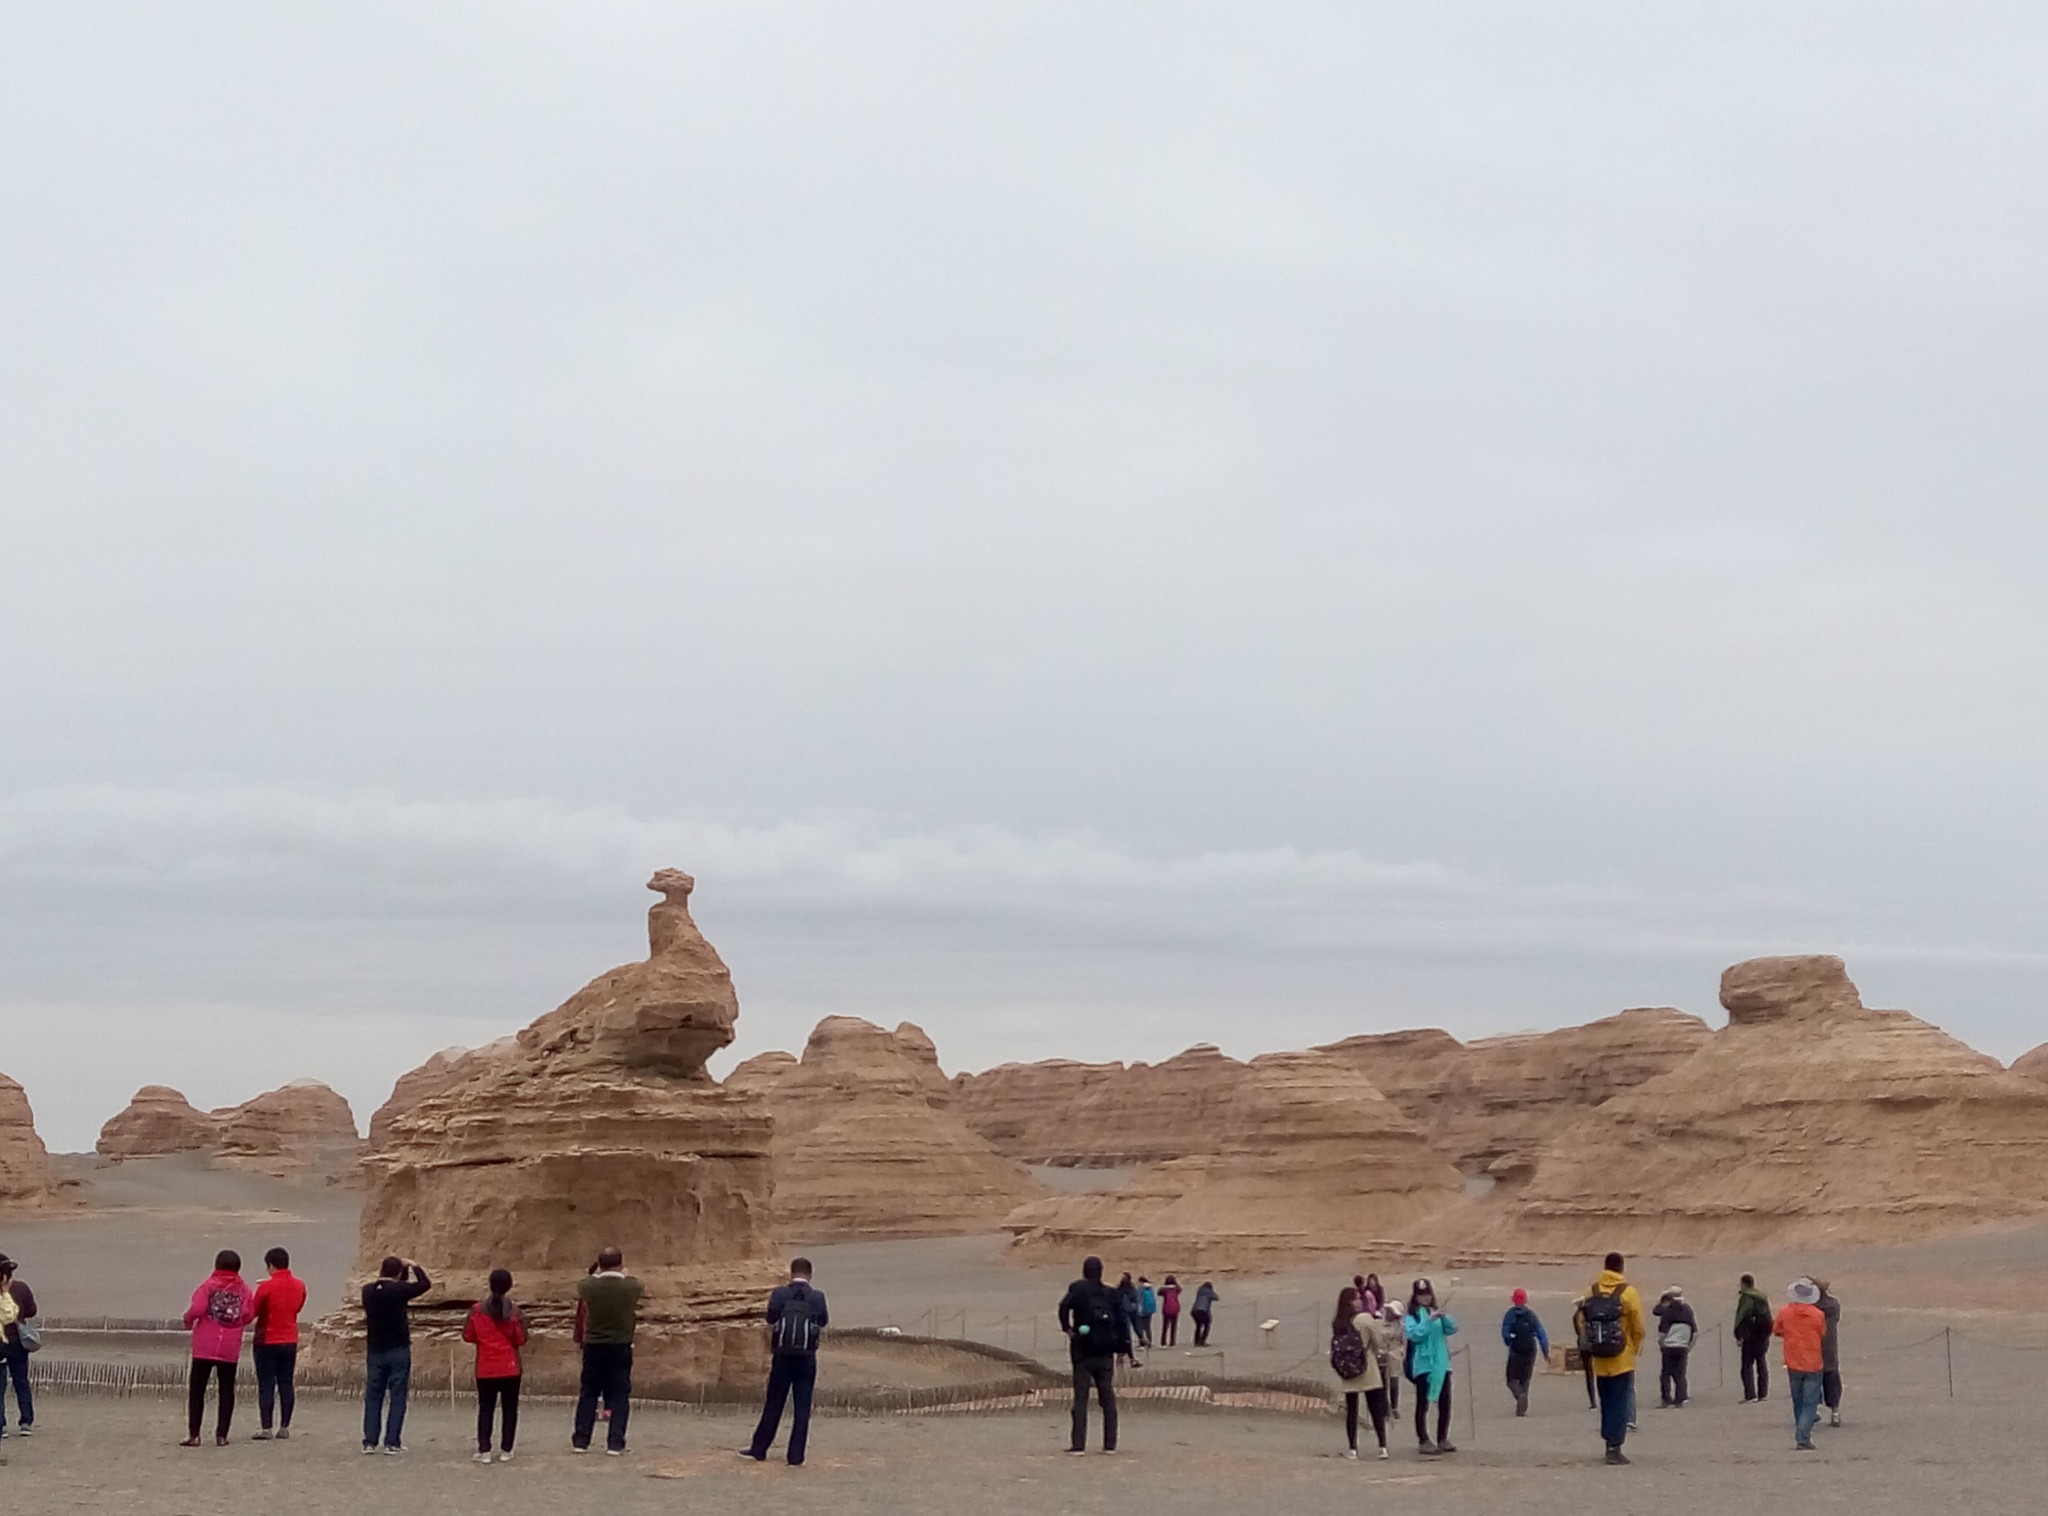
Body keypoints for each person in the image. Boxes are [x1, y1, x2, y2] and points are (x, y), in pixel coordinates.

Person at [745, 1258, 829, 1466]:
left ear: (791, 1273)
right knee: (802, 1408)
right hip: (806, 1358)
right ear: (810, 1274)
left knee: (774, 1403)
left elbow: (771, 1318)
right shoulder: (817, 1296)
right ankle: (795, 1457)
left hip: (782, 1357)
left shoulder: (780, 1294)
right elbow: (823, 1321)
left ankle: (759, 1449)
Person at [181, 1250, 256, 1447]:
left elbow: (197, 1308)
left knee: (197, 1390)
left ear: (216, 1266)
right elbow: (249, 1314)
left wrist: (188, 1319)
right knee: (226, 1391)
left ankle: (194, 1435)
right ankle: (221, 1435)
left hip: (205, 1345)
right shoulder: (245, 1290)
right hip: (229, 1347)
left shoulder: (208, 1286)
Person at [1057, 1255, 1131, 1453]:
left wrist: (1067, 1328)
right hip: (1106, 1351)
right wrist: (1124, 1351)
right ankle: (1110, 1445)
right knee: (1107, 1397)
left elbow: (1063, 1307)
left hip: (1082, 1350)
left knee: (1081, 1397)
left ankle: (1078, 1445)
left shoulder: (1077, 1289)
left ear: (1084, 1270)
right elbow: (1123, 1322)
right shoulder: (1111, 1293)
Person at [573, 1247, 643, 1455]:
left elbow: (587, 1280)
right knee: (619, 1395)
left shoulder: (588, 1286)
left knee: (588, 1393)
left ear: (600, 1264)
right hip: (620, 1346)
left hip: (594, 1345)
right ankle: (615, 1442)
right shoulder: (632, 1286)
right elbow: (634, 1282)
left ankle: (581, 1440)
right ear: (620, 1263)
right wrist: (623, 1274)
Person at [1579, 1252, 1646, 1466]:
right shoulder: (1629, 1293)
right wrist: (1634, 1349)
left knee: (1606, 1402)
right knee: (1620, 1401)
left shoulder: (1592, 1290)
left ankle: (1608, 1442)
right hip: (1621, 1358)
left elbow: (1581, 1319)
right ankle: (1615, 1447)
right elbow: (1638, 1327)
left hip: (1599, 1358)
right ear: (1621, 1268)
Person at [360, 1255, 431, 1454]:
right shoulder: (399, 1291)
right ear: (398, 1273)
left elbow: (396, 1285)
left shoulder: (367, 1291)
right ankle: (392, 1442)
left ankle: (370, 1441)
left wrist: (402, 1271)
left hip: (375, 1349)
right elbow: (424, 1285)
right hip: (398, 1349)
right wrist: (415, 1266)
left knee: (374, 1396)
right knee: (397, 1396)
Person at [463, 1268, 527, 1464]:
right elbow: (521, 1338)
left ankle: (485, 1450)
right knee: (510, 1409)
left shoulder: (476, 1310)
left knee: (485, 1409)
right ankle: (507, 1449)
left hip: (486, 1367)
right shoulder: (515, 1312)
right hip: (510, 1367)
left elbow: (468, 1336)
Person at [248, 1246, 307, 1440]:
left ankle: (266, 1427)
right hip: (289, 1338)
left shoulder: (266, 1287)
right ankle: (284, 1426)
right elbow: (297, 1308)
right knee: (286, 1383)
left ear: (271, 1265)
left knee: (266, 1384)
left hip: (267, 1340)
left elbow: (252, 1312)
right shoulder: (300, 1285)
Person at [1328, 1285, 1391, 1460]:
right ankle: (1382, 1446)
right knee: (1375, 1407)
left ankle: (1353, 1448)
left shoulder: (1339, 1322)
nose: (1359, 1301)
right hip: (1366, 1364)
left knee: (1352, 1410)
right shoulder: (1364, 1319)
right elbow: (1377, 1341)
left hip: (1348, 1368)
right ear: (1351, 1302)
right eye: (1356, 1298)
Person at [1401, 1278, 1458, 1455]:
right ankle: (1423, 1439)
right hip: (1424, 1365)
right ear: (1415, 1296)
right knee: (1422, 1403)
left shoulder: (1434, 1311)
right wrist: (1428, 1321)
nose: (1425, 1298)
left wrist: (1444, 1317)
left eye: (1427, 1295)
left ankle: (1442, 1437)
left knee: (1445, 1402)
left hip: (1442, 1364)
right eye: (1421, 1295)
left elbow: (1452, 1329)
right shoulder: (1412, 1317)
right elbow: (1415, 1335)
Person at [1774, 1278, 1827, 1450]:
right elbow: (1822, 1332)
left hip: (1793, 1361)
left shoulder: (1785, 1312)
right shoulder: (1818, 1314)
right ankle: (1803, 1435)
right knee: (1810, 1402)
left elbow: (1777, 1330)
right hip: (1813, 1362)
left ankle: (1801, 1433)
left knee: (1798, 1400)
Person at [0, 1255, 36, 1445]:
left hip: (1, 1343)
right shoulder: (21, 1288)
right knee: (21, 1381)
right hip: (18, 1343)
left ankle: (2, 1425)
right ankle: (26, 1421)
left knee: (0, 1386)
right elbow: (31, 1311)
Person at [1500, 1288, 1549, 1417]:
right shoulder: (1531, 1315)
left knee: (1511, 1379)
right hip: (1530, 1348)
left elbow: (1505, 1332)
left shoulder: (1510, 1314)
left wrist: (1509, 1341)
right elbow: (1541, 1333)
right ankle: (1522, 1409)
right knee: (1525, 1378)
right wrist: (1546, 1351)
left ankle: (1519, 1395)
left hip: (1516, 1349)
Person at [1653, 1286, 1697, 1408]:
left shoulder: (1668, 1311)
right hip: (1683, 1346)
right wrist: (1689, 1346)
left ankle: (1666, 1399)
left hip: (1669, 1346)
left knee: (1665, 1374)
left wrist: (1661, 1343)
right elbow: (1695, 1332)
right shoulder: (1688, 1310)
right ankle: (1681, 1398)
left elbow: (1663, 1331)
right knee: (1680, 1373)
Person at [1735, 1274, 1773, 1402]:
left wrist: (1738, 1334)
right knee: (1762, 1363)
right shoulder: (1762, 1297)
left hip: (1751, 1335)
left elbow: (1741, 1316)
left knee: (1746, 1365)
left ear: (1744, 1283)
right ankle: (1763, 1393)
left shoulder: (1746, 1298)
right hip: (1763, 1334)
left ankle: (1750, 1394)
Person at [1814, 1278, 1843, 1427]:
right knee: (1832, 1379)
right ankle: (1835, 1412)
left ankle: (1814, 1409)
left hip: (1813, 1348)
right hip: (1830, 1347)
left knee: (1812, 1381)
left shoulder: (1810, 1309)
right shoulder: (1833, 1305)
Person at [1377, 1303, 1402, 1418]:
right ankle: (1384, 1407)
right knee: (1382, 1382)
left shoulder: (1401, 1326)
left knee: (1393, 1381)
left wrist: (1401, 1351)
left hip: (1394, 1354)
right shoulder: (1380, 1322)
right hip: (1381, 1353)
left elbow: (1404, 1342)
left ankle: (1394, 1407)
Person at [1191, 1280, 1218, 1347]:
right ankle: (1202, 1341)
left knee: (1198, 1326)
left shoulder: (1199, 1291)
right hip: (1203, 1310)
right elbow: (1216, 1297)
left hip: (1194, 1310)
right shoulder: (1209, 1292)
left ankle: (1196, 1341)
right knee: (1207, 1325)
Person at [1158, 1276, 1182, 1346]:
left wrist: (1164, 1285)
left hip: (1166, 1309)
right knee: (1173, 1326)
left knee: (1165, 1326)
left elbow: (1159, 1292)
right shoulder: (1176, 1289)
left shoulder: (1164, 1290)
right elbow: (1180, 1289)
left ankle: (1163, 1341)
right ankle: (1172, 1341)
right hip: (1175, 1309)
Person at [1137, 1277, 1157, 1349]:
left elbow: (1138, 1298)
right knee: (1148, 1327)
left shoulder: (1140, 1288)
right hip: (1149, 1310)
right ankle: (1150, 1341)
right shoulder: (1150, 1288)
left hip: (1142, 1310)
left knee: (1140, 1328)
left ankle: (1142, 1343)